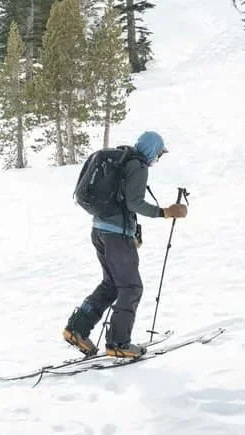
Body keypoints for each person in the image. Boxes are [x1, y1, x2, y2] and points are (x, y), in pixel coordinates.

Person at [62, 131, 188, 360]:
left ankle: (76, 329)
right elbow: (134, 202)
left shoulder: (120, 160)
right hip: (115, 235)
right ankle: (118, 343)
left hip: (99, 230)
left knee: (111, 285)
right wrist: (164, 212)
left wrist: (132, 232)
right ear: (151, 150)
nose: (157, 159)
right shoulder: (138, 167)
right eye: (158, 154)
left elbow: (122, 202)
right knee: (131, 287)